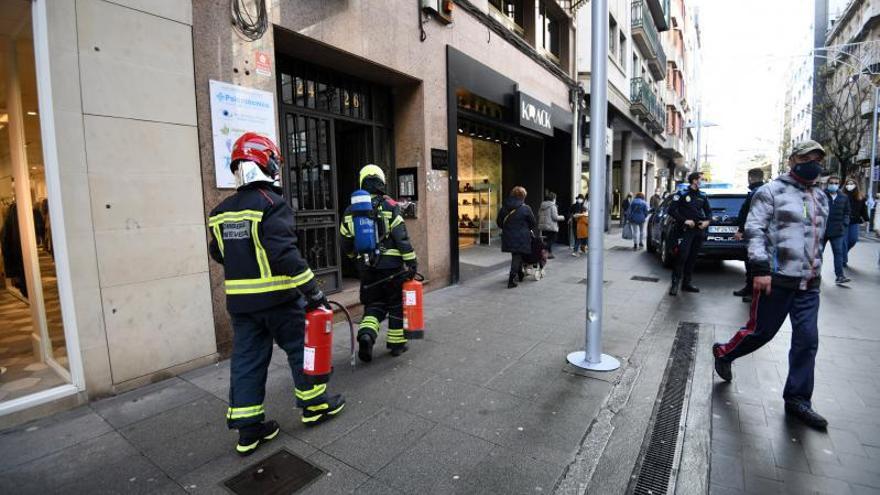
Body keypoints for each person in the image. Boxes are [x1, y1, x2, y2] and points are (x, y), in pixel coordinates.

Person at [208, 132, 345, 456]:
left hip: (241, 305)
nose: (275, 169)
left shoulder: (221, 212)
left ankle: (248, 430)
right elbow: (284, 253)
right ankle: (315, 406)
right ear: (263, 163)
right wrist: (313, 291)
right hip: (279, 300)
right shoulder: (271, 204)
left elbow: (218, 253)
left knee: (246, 362)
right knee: (302, 350)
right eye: (273, 162)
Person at [712, 140, 830, 429]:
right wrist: (761, 270)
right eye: (807, 157)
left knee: (807, 339)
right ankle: (724, 352)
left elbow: (820, 237)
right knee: (761, 332)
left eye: (817, 158)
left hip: (809, 283)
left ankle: (798, 399)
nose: (813, 162)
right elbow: (754, 230)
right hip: (775, 280)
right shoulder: (770, 192)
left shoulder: (822, 197)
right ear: (793, 160)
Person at [340, 165, 418, 362]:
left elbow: (345, 241)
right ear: (381, 182)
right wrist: (412, 262)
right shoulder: (390, 206)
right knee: (395, 305)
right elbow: (402, 238)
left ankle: (366, 335)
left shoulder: (351, 211)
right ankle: (396, 344)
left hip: (368, 269)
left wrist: (356, 260)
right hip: (392, 268)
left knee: (373, 306)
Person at [667, 172, 711, 296]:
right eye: (701, 179)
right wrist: (684, 220)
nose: (702, 182)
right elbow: (671, 210)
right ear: (694, 181)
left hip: (698, 231)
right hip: (684, 230)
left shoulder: (703, 195)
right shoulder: (681, 194)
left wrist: (707, 222)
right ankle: (675, 284)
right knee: (682, 257)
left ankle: (687, 284)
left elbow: (709, 212)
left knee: (692, 258)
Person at [733, 168, 766, 303]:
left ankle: (754, 293)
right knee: (749, 261)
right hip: (754, 232)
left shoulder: (757, 193)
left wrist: (741, 229)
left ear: (751, 178)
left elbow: (751, 214)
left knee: (754, 262)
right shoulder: (758, 191)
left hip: (755, 233)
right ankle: (748, 288)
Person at [497, 186, 536, 288]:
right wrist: (525, 229)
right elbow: (533, 223)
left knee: (516, 255)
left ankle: (520, 274)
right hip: (521, 237)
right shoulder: (526, 208)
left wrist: (508, 229)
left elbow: (499, 222)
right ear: (523, 196)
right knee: (517, 256)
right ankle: (511, 280)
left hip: (508, 236)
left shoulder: (504, 207)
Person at [822, 175, 851, 285]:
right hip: (822, 230)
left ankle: (840, 276)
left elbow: (847, 212)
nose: (833, 185)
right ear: (827, 184)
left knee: (838, 253)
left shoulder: (844, 197)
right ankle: (815, 274)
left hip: (837, 231)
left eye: (836, 183)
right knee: (818, 254)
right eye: (831, 183)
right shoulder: (821, 195)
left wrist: (845, 224)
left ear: (839, 185)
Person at [843, 178, 869, 267]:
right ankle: (843, 259)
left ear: (856, 185)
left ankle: (842, 254)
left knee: (853, 240)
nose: (849, 185)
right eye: (848, 184)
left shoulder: (861, 197)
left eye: (851, 184)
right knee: (844, 241)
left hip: (854, 222)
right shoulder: (841, 195)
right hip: (843, 222)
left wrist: (866, 220)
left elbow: (864, 210)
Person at [537, 192, 564, 259]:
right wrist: (562, 217)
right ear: (554, 198)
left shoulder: (542, 205)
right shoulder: (553, 206)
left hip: (544, 226)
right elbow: (555, 217)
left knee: (548, 239)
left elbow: (539, 214)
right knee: (553, 239)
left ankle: (549, 254)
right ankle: (542, 249)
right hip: (551, 226)